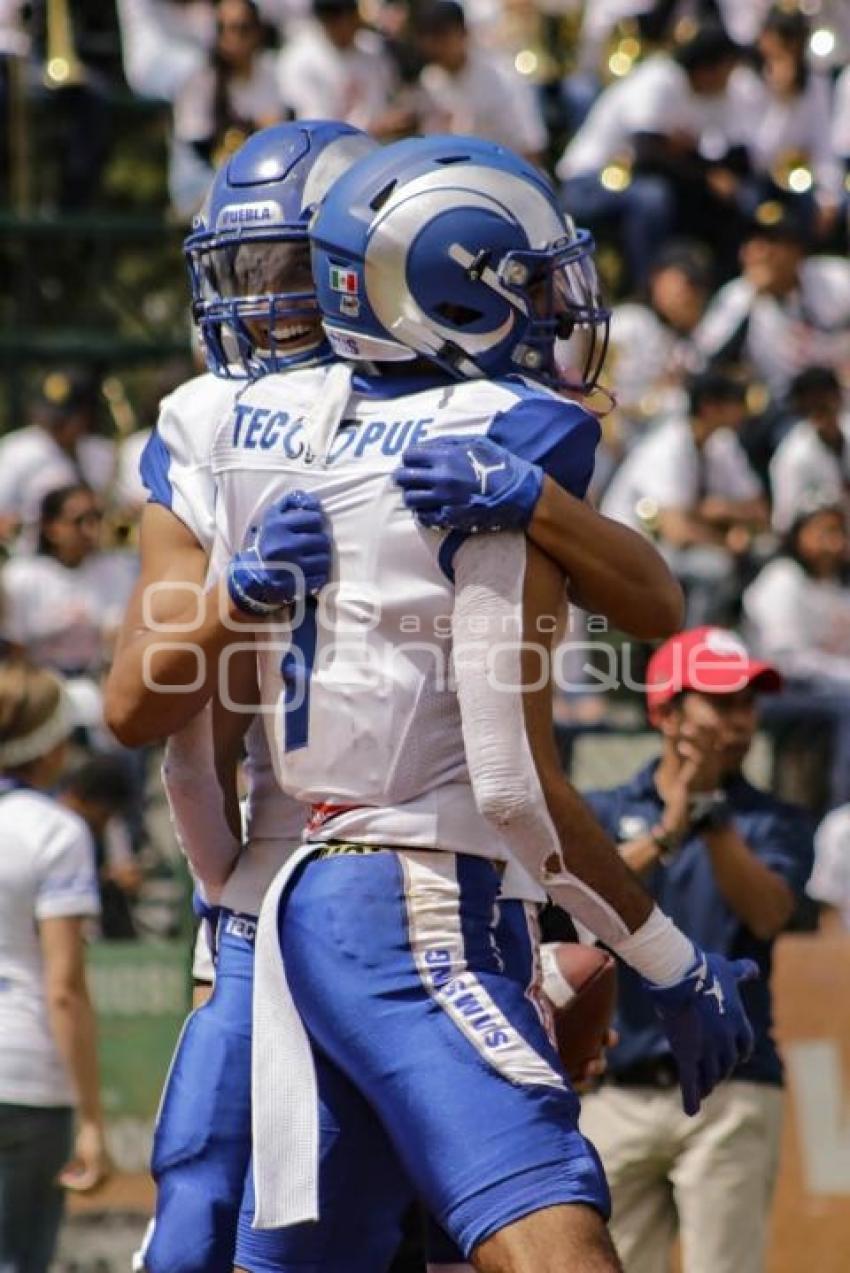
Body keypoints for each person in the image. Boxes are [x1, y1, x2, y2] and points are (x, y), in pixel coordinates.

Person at [106, 120, 685, 1273]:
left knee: (329, 1230)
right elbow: (138, 704)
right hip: (308, 880)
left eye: (282, 271)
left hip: (381, 863)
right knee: (216, 1219)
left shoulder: (392, 422)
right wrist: (236, 598)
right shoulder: (220, 421)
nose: (259, 306)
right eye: (244, 274)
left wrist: (533, 503)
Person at [579, 626, 813, 1273]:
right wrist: (666, 830)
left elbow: (770, 912)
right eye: (722, 700)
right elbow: (580, 908)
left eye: (748, 703)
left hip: (731, 1093)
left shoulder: (776, 819)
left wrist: (707, 816)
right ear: (664, 711)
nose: (741, 721)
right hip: (617, 1093)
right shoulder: (599, 810)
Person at [0, 663, 109, 1273]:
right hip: (25, 1079)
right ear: (49, 747)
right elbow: (64, 989)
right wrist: (92, 1119)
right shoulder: (58, 833)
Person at [555, 22, 748, 287]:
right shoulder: (659, 79)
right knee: (652, 198)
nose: (729, 79)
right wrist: (705, 176)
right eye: (727, 69)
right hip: (588, 181)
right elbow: (646, 153)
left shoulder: (706, 96)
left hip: (635, 180)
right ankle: (648, 289)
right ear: (708, 66)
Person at [601, 370, 767, 625]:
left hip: (671, 544)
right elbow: (676, 531)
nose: (742, 410)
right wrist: (725, 538)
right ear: (710, 407)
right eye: (734, 403)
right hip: (630, 549)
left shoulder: (722, 443)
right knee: (716, 570)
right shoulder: (668, 446)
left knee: (763, 552)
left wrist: (724, 511)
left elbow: (759, 510)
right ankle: (687, 648)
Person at [0, 485, 137, 726]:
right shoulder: (22, 578)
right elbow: (15, 655)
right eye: (79, 521)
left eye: (96, 518)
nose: (90, 530)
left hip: (99, 686)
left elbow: (119, 643)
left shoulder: (117, 571)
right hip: (40, 691)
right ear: (52, 528)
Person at [694, 202, 850, 405]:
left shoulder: (834, 277)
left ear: (797, 250)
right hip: (786, 409)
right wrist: (750, 302)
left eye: (771, 243)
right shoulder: (737, 297)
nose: (760, 253)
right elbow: (703, 361)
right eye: (752, 243)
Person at [171, 0, 283, 219]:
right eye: (224, 29)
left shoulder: (272, 74)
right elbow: (196, 149)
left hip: (258, 178)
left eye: (242, 29)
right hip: (204, 180)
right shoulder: (200, 79)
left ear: (257, 31)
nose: (232, 38)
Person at [415, 0, 547, 163]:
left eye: (441, 36)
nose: (434, 46)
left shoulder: (503, 78)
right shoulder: (430, 80)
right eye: (427, 38)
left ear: (463, 33)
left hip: (508, 173)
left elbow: (532, 146)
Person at [0, 370, 114, 550]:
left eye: (64, 420)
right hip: (36, 559)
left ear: (84, 416)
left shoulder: (102, 451)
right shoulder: (16, 450)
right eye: (51, 418)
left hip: (95, 557)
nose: (55, 425)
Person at [768, 366, 850, 534]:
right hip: (821, 543)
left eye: (826, 402)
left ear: (838, 398)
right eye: (813, 405)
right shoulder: (791, 456)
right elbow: (785, 522)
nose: (821, 411)